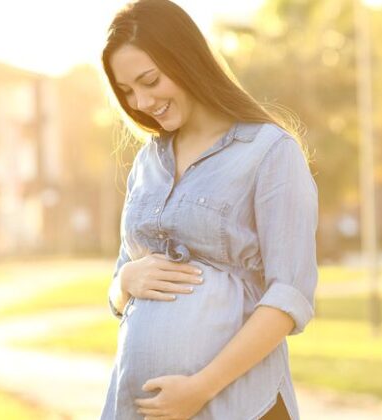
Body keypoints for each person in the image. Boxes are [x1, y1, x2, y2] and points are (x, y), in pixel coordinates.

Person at [100, 1, 318, 419]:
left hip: (239, 406)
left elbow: (288, 297)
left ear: (186, 59)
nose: (142, 102)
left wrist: (201, 388)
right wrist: (125, 279)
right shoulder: (149, 162)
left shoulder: (270, 152)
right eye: (127, 92)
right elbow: (118, 286)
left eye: (149, 81)